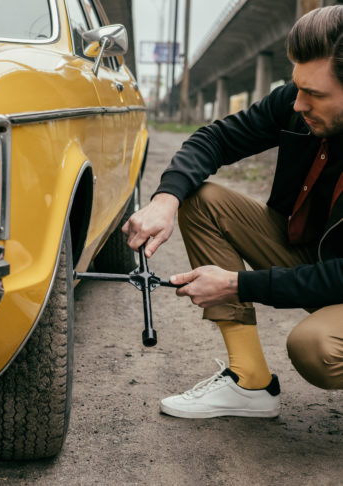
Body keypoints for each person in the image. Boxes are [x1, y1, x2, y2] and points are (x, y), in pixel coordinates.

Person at [122, 5, 343, 419]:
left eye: (313, 94)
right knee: (201, 200)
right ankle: (250, 382)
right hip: (314, 254)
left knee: (316, 346)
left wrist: (239, 284)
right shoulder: (294, 104)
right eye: (297, 88)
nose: (298, 104)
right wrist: (165, 199)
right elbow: (216, 138)